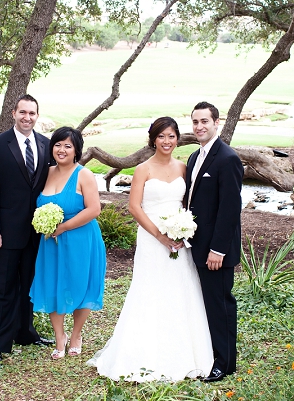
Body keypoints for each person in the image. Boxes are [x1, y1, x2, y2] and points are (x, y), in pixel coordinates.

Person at [88, 117, 213, 381]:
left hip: (179, 238)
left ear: (177, 139)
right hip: (151, 237)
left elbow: (189, 204)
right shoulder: (143, 169)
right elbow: (135, 207)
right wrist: (159, 235)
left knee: (181, 288)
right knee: (150, 289)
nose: (166, 142)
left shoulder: (183, 168)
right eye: (161, 137)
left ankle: (186, 354)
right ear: (153, 139)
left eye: (171, 136)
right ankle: (143, 354)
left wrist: (183, 230)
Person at [0, 94, 54, 369]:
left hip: (38, 232)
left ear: (37, 115)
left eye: (32, 113)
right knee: (2, 288)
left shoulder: (46, 145)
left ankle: (26, 332)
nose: (27, 117)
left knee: (29, 284)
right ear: (13, 113)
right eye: (23, 112)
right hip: (6, 233)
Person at [30, 127, 106, 359]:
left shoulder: (83, 174)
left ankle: (75, 335)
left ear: (76, 151)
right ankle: (59, 336)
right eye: (58, 145)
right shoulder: (46, 172)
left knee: (80, 284)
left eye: (68, 146)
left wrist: (61, 227)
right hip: (51, 244)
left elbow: (94, 209)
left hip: (81, 240)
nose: (61, 150)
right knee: (54, 284)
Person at [184, 102, 244, 382]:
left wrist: (217, 249)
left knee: (220, 304)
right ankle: (211, 354)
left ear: (216, 123)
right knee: (206, 303)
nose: (199, 127)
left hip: (216, 251)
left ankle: (225, 362)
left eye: (204, 121)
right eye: (195, 122)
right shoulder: (194, 158)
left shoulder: (228, 158)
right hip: (196, 247)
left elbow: (230, 209)